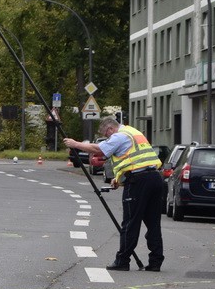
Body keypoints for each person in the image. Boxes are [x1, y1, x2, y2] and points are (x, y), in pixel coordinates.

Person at [63, 116, 164, 272]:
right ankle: (156, 261)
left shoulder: (119, 136)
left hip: (139, 182)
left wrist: (76, 144)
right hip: (155, 179)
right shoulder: (133, 132)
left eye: (107, 135)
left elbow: (99, 149)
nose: (108, 138)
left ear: (110, 129)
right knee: (153, 223)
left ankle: (122, 260)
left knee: (130, 222)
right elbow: (134, 160)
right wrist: (118, 179)